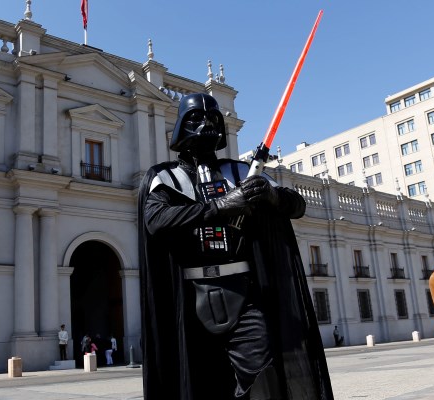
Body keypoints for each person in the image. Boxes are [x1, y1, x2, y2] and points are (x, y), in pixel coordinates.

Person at [139, 93, 333, 399]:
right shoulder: (165, 178)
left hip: (243, 292)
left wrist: (272, 196)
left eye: (212, 119)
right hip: (191, 295)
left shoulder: (242, 173)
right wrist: (220, 207)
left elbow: (297, 205)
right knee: (201, 381)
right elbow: (156, 220)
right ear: (181, 126)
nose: (205, 125)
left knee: (262, 373)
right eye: (196, 119)